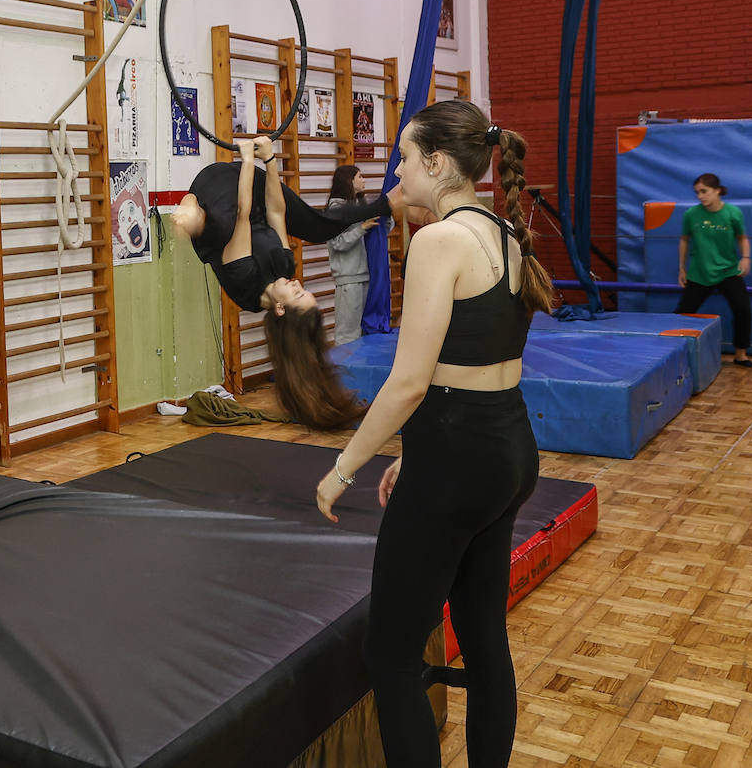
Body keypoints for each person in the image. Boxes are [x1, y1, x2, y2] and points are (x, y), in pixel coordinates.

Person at [314, 101, 553, 767]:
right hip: (504, 450)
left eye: (403, 157)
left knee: (388, 654)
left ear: (436, 163)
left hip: (458, 458)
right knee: (483, 638)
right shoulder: (503, 233)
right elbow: (469, 364)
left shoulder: (437, 240)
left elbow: (410, 381)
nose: (397, 171)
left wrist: (345, 467)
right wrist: (417, 454)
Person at [171, 136, 389, 429]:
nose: (299, 284)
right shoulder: (284, 268)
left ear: (281, 309)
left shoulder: (244, 282)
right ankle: (388, 203)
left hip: (216, 194)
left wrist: (249, 159)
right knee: (318, 227)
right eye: (306, 290)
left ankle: (187, 209)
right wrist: (270, 160)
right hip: (253, 191)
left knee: (194, 220)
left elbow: (242, 216)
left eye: (298, 294)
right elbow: (276, 213)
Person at [677, 173, 752, 367]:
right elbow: (684, 240)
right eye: (697, 193)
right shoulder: (691, 215)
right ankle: (674, 353)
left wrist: (745, 258)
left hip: (728, 271)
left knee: (743, 310)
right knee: (683, 313)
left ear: (717, 190)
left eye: (704, 191)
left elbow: (742, 237)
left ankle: (741, 354)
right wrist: (681, 268)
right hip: (700, 273)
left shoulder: (733, 213)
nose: (700, 196)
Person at [326, 164, 394, 346]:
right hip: (349, 280)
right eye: (360, 176)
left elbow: (382, 231)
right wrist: (362, 228)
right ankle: (344, 373)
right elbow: (337, 243)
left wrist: (385, 217)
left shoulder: (363, 205)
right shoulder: (336, 209)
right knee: (348, 334)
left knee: (366, 332)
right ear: (349, 181)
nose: (364, 180)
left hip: (367, 276)